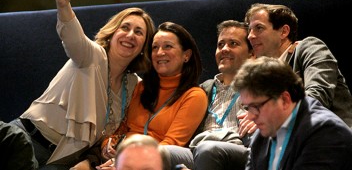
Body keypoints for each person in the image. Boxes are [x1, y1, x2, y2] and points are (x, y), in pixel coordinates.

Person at [10, 0, 155, 169]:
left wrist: (104, 154)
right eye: (125, 27)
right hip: (27, 140)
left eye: (139, 32)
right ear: (112, 33)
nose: (130, 35)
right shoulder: (93, 55)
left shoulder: (134, 84)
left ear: (144, 46)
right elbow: (73, 38)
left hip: (60, 161)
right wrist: (63, 5)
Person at [98, 21, 208, 169]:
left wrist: (126, 163)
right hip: (118, 157)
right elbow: (121, 129)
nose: (159, 53)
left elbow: (171, 144)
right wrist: (108, 145)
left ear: (186, 55)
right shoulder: (140, 87)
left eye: (167, 46)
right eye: (155, 47)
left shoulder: (194, 96)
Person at [164, 20, 256, 170]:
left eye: (233, 43)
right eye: (220, 45)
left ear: (251, 54)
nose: (224, 49)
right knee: (162, 152)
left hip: (240, 150)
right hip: (198, 149)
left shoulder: (259, 85)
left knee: (209, 149)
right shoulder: (202, 89)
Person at [233, 56, 352, 170]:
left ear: (285, 100)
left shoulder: (325, 132)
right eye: (248, 107)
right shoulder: (261, 136)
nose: (251, 116)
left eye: (256, 106)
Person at [244, 3, 352, 127]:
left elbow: (317, 96)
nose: (250, 36)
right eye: (250, 29)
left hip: (332, 135)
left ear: (283, 32)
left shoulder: (309, 47)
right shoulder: (263, 71)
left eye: (259, 28)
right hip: (288, 140)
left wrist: (270, 116)